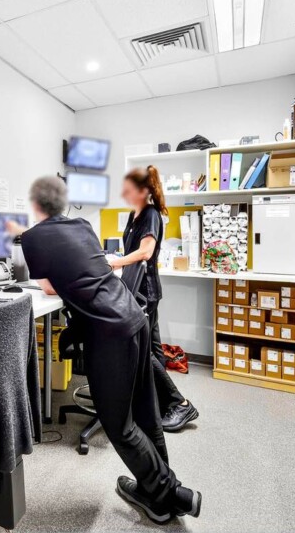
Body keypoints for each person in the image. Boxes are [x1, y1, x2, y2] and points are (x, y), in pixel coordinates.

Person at [18, 176, 201, 523]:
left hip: (108, 333)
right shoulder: (83, 225)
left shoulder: (32, 237)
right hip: (134, 317)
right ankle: (155, 491)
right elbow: (93, 267)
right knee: (146, 411)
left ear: (37, 206)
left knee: (120, 426)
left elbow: (50, 288)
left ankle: (170, 493)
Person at [108, 166, 200, 432]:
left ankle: (180, 403)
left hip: (144, 292)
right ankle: (160, 403)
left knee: (143, 352)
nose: (124, 193)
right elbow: (132, 250)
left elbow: (146, 252)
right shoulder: (134, 215)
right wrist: (118, 260)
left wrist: (114, 263)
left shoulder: (150, 214)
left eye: (129, 189)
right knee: (154, 349)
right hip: (137, 289)